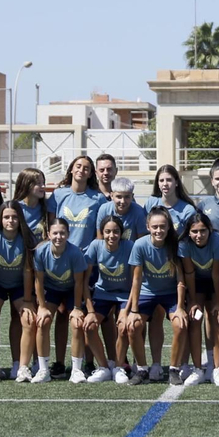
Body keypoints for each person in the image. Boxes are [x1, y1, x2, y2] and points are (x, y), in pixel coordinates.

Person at [49, 155, 102, 376]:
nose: (81, 170)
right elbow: (51, 226)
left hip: (85, 265)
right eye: (78, 166)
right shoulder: (58, 195)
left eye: (86, 168)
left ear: (91, 174)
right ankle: (60, 363)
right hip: (61, 263)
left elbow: (99, 233)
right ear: (71, 169)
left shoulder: (98, 198)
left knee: (83, 314)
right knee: (62, 313)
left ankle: (87, 363)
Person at [127, 208, 190, 384]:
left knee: (180, 324)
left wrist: (179, 307)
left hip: (169, 294)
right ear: (148, 226)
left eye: (162, 226)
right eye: (154, 226)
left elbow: (180, 280)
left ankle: (174, 369)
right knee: (132, 326)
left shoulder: (175, 245)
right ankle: (141, 369)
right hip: (147, 293)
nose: (158, 230)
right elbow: (137, 279)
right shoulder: (140, 245)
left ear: (169, 226)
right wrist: (133, 310)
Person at [0, 201, 36, 383]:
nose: (10, 220)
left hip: (19, 285)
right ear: (0, 219)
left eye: (14, 217)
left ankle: (22, 367)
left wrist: (27, 300)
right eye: (6, 217)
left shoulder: (27, 238)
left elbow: (28, 271)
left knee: (28, 319)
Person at [30, 216, 90, 383]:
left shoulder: (75, 253)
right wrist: (41, 307)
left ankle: (76, 369)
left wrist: (77, 307)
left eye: (62, 233)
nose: (58, 237)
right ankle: (43, 370)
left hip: (71, 291)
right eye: (55, 233)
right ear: (48, 234)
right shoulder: (41, 252)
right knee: (42, 321)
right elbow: (39, 281)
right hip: (52, 291)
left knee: (77, 323)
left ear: (68, 234)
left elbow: (79, 283)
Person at [83, 213, 136, 383]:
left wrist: (127, 310)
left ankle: (119, 367)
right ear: (102, 232)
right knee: (89, 326)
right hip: (102, 295)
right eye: (107, 231)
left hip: (124, 296)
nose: (111, 236)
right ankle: (104, 367)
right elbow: (84, 281)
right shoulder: (95, 246)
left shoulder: (129, 246)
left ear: (121, 233)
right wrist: (90, 311)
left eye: (115, 232)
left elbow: (136, 281)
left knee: (123, 327)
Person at [179, 211, 219, 385]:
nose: (199, 235)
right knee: (194, 319)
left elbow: (216, 274)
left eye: (203, 231)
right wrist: (193, 301)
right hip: (196, 282)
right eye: (194, 231)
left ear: (209, 230)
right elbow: (190, 273)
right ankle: (198, 368)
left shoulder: (218, 241)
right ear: (189, 232)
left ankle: (216, 368)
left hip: (217, 281)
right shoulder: (184, 244)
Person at [146, 164, 198, 232]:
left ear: (176, 182)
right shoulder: (150, 203)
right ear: (158, 183)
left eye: (169, 180)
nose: (165, 184)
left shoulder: (188, 210)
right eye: (161, 180)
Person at [96, 177, 149, 242]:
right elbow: (100, 239)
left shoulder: (138, 212)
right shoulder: (104, 209)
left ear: (132, 196)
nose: (122, 201)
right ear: (112, 195)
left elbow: (141, 241)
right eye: (119, 197)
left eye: (127, 197)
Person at [11, 168, 53, 240]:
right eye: (38, 183)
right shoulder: (15, 208)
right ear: (26, 185)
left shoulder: (47, 207)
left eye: (43, 183)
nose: (43, 186)